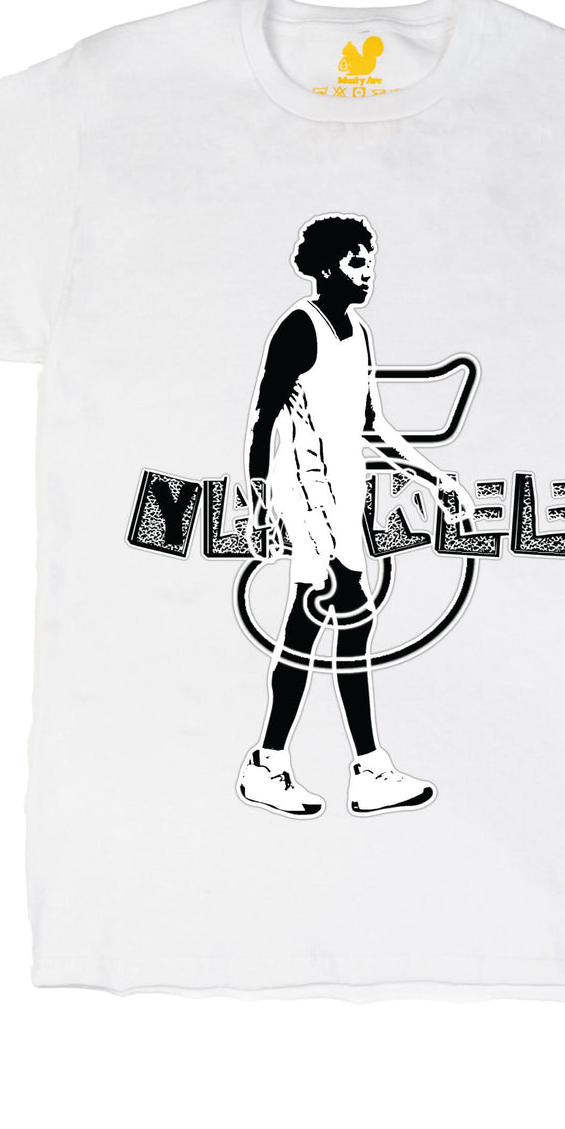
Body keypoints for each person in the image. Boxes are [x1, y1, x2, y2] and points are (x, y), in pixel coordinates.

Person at [237, 213, 474, 818]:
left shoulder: (359, 332)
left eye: (370, 262)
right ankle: (314, 765)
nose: (367, 273)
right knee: (335, 612)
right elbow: (263, 420)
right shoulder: (299, 328)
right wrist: (261, 501)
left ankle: (305, 765)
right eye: (355, 262)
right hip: (306, 494)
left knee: (331, 627)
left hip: (343, 498)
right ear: (325, 267)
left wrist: (434, 477)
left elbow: (371, 425)